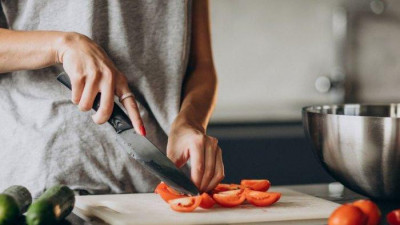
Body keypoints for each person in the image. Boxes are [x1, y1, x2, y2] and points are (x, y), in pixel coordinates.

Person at [0, 0, 224, 197]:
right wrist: (61, 45)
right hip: (46, 179)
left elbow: (201, 67)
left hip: (158, 186)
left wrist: (189, 123)